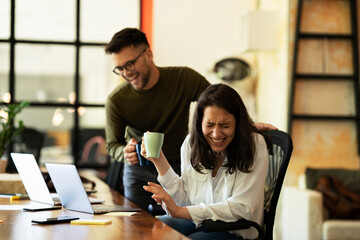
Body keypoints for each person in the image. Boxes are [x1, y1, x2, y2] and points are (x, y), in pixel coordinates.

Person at [104, 28, 276, 212]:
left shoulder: (183, 78)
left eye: (129, 64)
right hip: (139, 170)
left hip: (178, 165)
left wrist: (246, 124)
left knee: (175, 223)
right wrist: (126, 153)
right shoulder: (116, 100)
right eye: (120, 68)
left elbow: (220, 102)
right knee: (135, 222)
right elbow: (112, 145)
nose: (126, 73)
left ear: (148, 54)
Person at [142, 83, 272, 240]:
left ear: (238, 123)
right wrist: (158, 159)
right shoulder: (192, 143)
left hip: (236, 230)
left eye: (225, 125)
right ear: (200, 123)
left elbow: (242, 208)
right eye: (209, 125)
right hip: (200, 222)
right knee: (152, 229)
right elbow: (186, 199)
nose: (216, 134)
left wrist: (180, 212)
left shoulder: (255, 145)